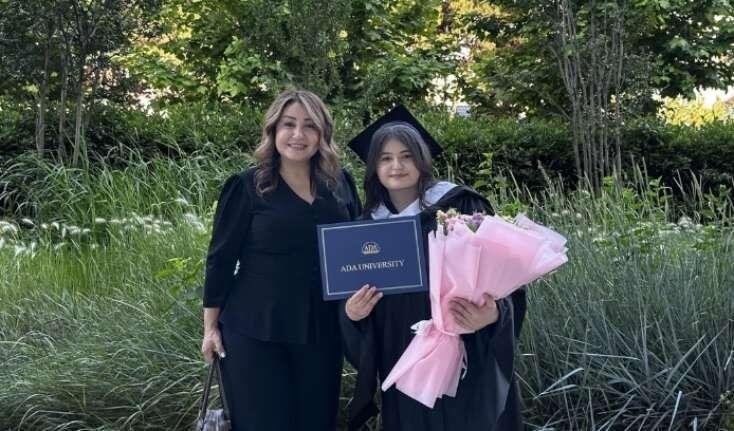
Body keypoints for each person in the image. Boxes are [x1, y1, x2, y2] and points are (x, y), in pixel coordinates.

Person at [340, 106, 527, 431]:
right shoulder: (364, 231)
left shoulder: (463, 206)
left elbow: (508, 281)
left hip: (466, 353)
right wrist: (352, 315)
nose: (396, 166)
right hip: (404, 360)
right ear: (373, 167)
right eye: (385, 158)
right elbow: (350, 307)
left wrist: (494, 314)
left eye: (407, 156)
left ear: (422, 159)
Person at [200, 89, 362, 431]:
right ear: (273, 130)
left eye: (309, 125)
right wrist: (210, 328)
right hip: (256, 331)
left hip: (322, 331)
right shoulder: (246, 186)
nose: (298, 134)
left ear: (323, 133)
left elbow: (358, 246)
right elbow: (220, 260)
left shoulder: (340, 183)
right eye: (288, 124)